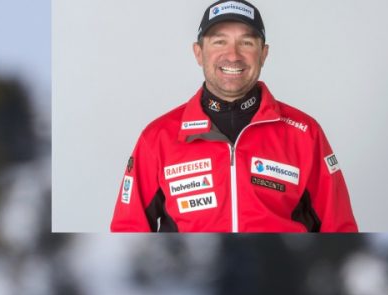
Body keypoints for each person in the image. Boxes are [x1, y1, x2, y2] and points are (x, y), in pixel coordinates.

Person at [111, 0, 357, 232]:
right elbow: (127, 231)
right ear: (198, 52)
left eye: (247, 43)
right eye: (219, 42)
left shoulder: (304, 133)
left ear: (264, 53)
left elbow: (340, 228)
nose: (233, 55)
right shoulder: (157, 138)